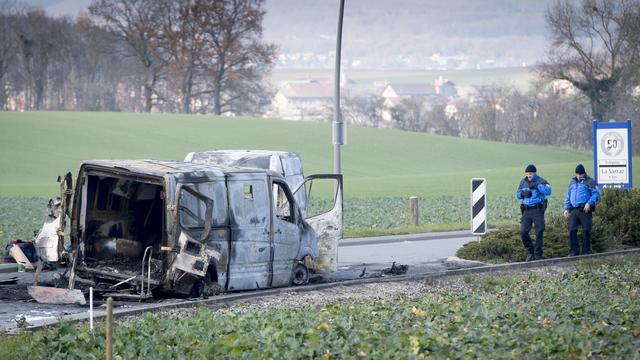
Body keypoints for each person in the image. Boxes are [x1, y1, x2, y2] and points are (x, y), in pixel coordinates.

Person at [516, 164, 552, 261]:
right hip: (526, 210)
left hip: (537, 209)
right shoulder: (523, 182)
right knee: (523, 232)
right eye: (527, 173)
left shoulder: (540, 181)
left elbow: (548, 191)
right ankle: (530, 252)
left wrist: (537, 186)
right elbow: (518, 195)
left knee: (539, 231)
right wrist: (523, 193)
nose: (529, 175)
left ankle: (538, 254)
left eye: (530, 173)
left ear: (535, 173)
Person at [563, 164, 600, 256]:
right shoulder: (572, 182)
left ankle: (585, 251)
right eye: (577, 174)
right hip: (574, 210)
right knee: (572, 230)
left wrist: (589, 203)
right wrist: (566, 209)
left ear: (584, 173)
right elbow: (568, 196)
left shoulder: (590, 181)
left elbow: (596, 194)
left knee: (586, 230)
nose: (579, 176)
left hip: (585, 209)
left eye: (581, 174)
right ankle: (574, 251)